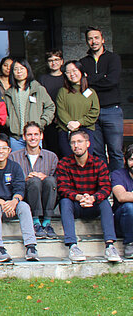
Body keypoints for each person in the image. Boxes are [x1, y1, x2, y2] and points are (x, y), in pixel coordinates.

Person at [55, 130, 121, 262]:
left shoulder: (99, 163)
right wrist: (79, 197)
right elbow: (63, 188)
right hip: (75, 205)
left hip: (93, 204)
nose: (76, 145)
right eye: (73, 142)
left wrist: (93, 198)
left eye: (80, 142)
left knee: (105, 203)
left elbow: (106, 188)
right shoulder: (64, 163)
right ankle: (73, 246)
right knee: (64, 202)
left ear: (88, 144)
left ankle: (110, 246)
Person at [0, 134, 39, 263]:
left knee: (24, 206)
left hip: (10, 205)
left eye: (4, 148)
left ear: (9, 151)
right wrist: (2, 203)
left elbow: (20, 188)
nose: (1, 151)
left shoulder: (15, 167)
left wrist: (14, 201)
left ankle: (31, 246)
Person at [79, 26, 123, 171]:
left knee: (115, 152)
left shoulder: (113, 58)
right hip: (92, 113)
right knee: (98, 153)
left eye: (96, 38)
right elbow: (83, 85)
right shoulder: (83, 62)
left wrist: (91, 80)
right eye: (90, 39)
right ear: (87, 42)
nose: (94, 41)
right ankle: (104, 185)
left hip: (112, 111)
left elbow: (112, 81)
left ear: (103, 40)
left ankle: (117, 186)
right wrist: (101, 77)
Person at [9, 122, 59, 239]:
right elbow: (10, 180)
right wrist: (25, 179)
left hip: (47, 197)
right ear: (24, 137)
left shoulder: (51, 157)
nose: (33, 138)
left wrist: (45, 178)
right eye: (30, 135)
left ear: (41, 136)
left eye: (36, 134)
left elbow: (57, 180)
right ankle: (35, 222)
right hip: (26, 196)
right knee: (34, 181)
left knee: (50, 180)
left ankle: (47, 222)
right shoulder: (14, 157)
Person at [2, 59, 55, 151]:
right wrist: (10, 123)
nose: (19, 71)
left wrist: (41, 122)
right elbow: (2, 112)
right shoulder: (9, 93)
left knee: (36, 163)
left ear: (27, 70)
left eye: (22, 68)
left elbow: (50, 107)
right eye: (15, 69)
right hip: (16, 138)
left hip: (34, 136)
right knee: (17, 163)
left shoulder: (38, 89)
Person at [55, 60, 99, 158]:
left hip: (86, 130)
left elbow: (95, 111)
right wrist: (70, 123)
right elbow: (60, 110)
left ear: (81, 71)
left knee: (86, 161)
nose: (72, 74)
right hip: (67, 130)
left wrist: (79, 122)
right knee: (69, 162)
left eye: (74, 70)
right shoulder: (63, 91)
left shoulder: (91, 92)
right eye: (68, 72)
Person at [38, 49, 64, 153]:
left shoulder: (67, 77)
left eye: (56, 59)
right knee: (51, 149)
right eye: (50, 60)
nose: (54, 63)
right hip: (49, 121)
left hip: (64, 120)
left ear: (62, 61)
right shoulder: (42, 79)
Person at [111, 144, 133, 259]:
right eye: (132, 159)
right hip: (122, 221)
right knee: (129, 207)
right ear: (126, 160)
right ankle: (130, 244)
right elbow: (121, 196)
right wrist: (127, 196)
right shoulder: (118, 174)